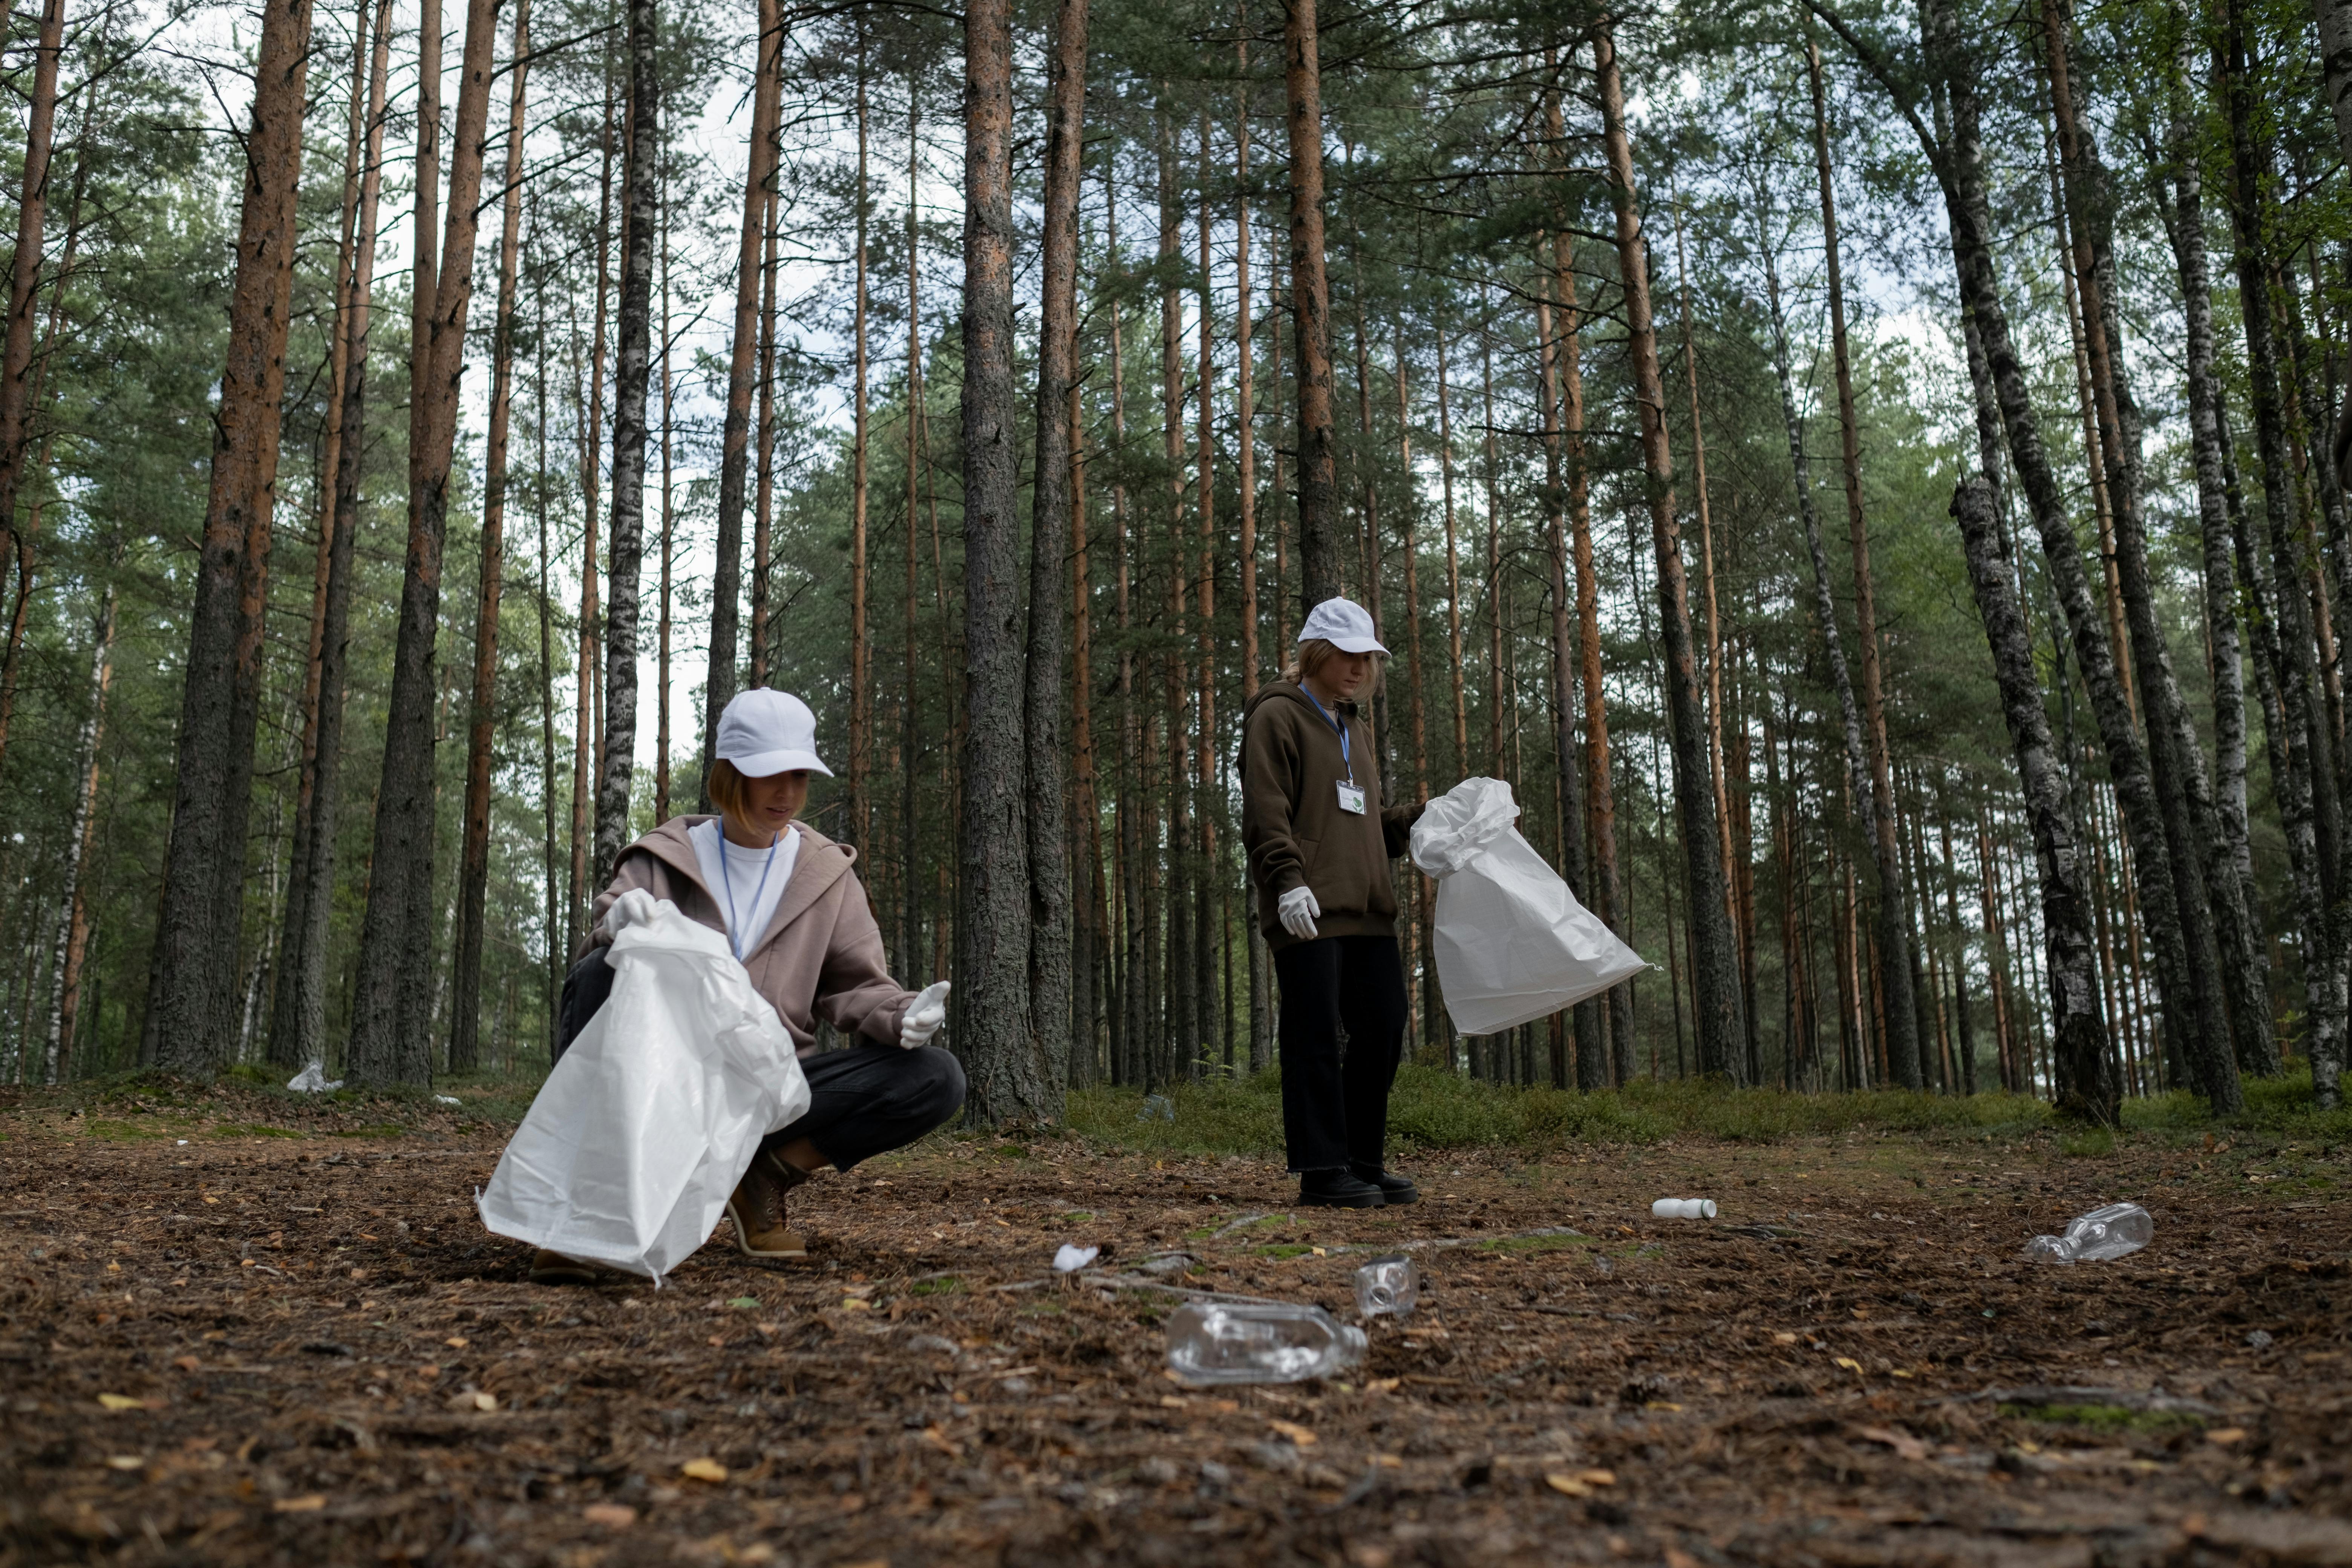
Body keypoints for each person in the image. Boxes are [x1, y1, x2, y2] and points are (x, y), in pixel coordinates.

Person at [534, 688, 961, 1283]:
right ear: (729, 774)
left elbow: (857, 987)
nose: (787, 794)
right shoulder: (667, 856)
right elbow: (605, 934)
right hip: (664, 1085)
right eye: (769, 775)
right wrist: (615, 925)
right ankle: (589, 1209)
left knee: (937, 1077)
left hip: (768, 1088)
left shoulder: (826, 874)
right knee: (596, 973)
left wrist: (901, 1013)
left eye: (800, 775)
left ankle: (761, 1175)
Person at [1239, 597, 1428, 1208]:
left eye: (1368, 657)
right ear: (1317, 653)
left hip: (1368, 908)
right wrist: (1287, 880)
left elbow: (1365, 823)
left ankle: (1361, 1161)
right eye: (1348, 654)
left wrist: (1424, 820)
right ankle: (1322, 1172)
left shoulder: (1354, 728)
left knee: (1384, 1024)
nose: (1359, 668)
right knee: (1314, 1033)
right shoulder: (1277, 716)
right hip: (1307, 905)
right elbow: (1267, 810)